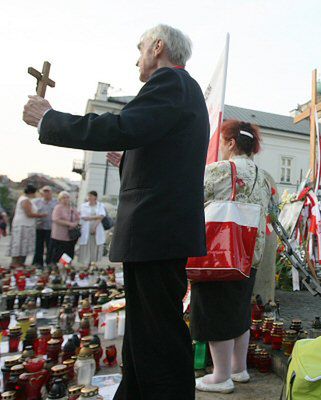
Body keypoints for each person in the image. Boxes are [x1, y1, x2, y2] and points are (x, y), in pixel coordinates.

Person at [23, 24, 209, 400]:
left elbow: (124, 125)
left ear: (158, 47)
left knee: (158, 337)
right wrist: (128, 162)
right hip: (156, 232)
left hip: (156, 232)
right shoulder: (178, 92)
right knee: (143, 334)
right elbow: (164, 156)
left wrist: (50, 119)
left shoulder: (171, 82)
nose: (136, 57)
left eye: (140, 48)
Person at [192, 120, 273, 394]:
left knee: (217, 312)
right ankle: (239, 369)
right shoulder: (264, 176)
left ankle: (220, 376)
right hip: (250, 254)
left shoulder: (219, 170)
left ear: (230, 143)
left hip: (220, 254)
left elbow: (191, 197)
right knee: (239, 310)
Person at [7, 184, 47, 266]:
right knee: (20, 244)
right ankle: (17, 262)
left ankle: (20, 262)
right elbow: (29, 214)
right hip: (23, 225)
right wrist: (41, 215)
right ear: (32, 192)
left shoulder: (26, 199)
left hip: (26, 224)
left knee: (23, 245)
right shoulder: (25, 200)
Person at [78, 191, 107, 266]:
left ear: (95, 197)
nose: (89, 197)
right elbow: (84, 217)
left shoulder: (100, 205)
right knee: (86, 244)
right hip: (86, 228)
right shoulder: (84, 205)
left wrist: (92, 220)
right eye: (88, 196)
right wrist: (95, 217)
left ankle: (93, 263)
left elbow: (101, 216)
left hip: (97, 227)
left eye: (91, 196)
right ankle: (85, 263)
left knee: (95, 245)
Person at [50, 191, 79, 263]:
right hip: (59, 234)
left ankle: (65, 265)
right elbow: (55, 219)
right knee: (58, 251)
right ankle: (56, 266)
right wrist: (69, 223)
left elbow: (78, 218)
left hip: (70, 235)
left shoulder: (72, 208)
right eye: (63, 198)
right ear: (60, 199)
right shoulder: (58, 208)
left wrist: (75, 223)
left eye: (67, 197)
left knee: (68, 252)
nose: (65, 199)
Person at [32, 185, 57, 267]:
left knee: (50, 246)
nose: (46, 194)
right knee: (38, 245)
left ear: (51, 193)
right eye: (44, 192)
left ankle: (49, 261)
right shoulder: (36, 201)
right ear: (42, 193)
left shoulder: (56, 202)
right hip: (39, 227)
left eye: (48, 192)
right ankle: (38, 262)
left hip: (50, 227)